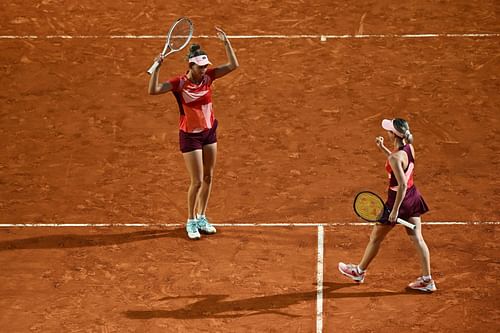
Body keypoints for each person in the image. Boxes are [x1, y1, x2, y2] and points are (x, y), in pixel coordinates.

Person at [148, 27, 239, 239]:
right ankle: (190, 220)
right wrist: (157, 68)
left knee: (208, 176)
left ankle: (201, 217)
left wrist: (226, 43)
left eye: (205, 65)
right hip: (190, 135)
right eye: (201, 67)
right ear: (191, 66)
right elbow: (153, 90)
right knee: (196, 180)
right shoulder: (179, 83)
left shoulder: (208, 77)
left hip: (209, 132)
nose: (205, 69)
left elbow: (233, 65)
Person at [338, 118, 436, 292]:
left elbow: (401, 184)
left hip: (397, 199)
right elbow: (399, 165)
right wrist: (383, 149)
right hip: (413, 197)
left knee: (376, 238)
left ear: (393, 135)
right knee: (417, 238)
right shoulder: (408, 148)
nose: (387, 132)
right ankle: (427, 280)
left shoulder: (394, 157)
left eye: (389, 130)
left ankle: (358, 271)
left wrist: (395, 210)